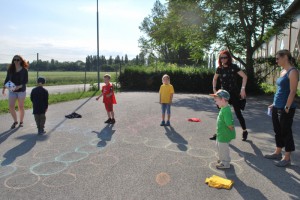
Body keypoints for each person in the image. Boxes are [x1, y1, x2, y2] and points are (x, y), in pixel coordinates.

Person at [264, 49, 299, 167]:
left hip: (286, 107)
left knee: (286, 131)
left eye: (278, 58)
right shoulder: (282, 71)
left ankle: (287, 157)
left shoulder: (293, 71)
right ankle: (278, 152)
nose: (276, 60)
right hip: (277, 106)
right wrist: (274, 103)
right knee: (277, 130)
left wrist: (287, 106)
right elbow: (279, 90)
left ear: (285, 57)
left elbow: (293, 91)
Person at [211, 50, 248, 141]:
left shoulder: (234, 67)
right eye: (221, 58)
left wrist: (242, 89)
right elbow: (214, 79)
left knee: (238, 113)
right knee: (221, 114)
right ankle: (219, 133)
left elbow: (245, 77)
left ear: (229, 58)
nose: (223, 59)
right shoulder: (219, 68)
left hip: (234, 94)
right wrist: (214, 89)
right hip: (223, 94)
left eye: (225, 57)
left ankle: (244, 131)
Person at [210, 89, 236, 169]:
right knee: (219, 146)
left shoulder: (226, 110)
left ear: (223, 100)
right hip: (221, 133)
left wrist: (230, 129)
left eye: (216, 100)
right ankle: (222, 159)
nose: (215, 102)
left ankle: (225, 163)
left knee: (223, 148)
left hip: (224, 134)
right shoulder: (223, 108)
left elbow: (229, 124)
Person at [2, 55, 29, 129]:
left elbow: (26, 81)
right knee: (11, 106)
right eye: (15, 60)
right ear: (13, 60)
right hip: (12, 90)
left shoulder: (24, 70)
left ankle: (21, 122)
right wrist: (4, 88)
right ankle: (15, 121)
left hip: (21, 91)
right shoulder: (11, 69)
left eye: (18, 60)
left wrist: (19, 86)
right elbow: (7, 79)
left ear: (21, 61)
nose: (16, 61)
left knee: (21, 107)